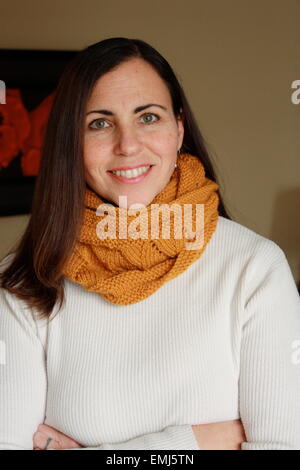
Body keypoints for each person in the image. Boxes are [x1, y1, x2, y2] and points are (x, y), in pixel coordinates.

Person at [0, 37, 299, 451]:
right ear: (71, 143)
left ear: (178, 129)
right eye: (99, 123)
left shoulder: (254, 269)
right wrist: (200, 441)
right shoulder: (22, 281)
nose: (127, 145)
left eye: (148, 117)